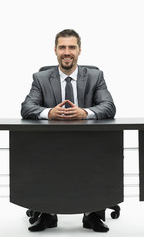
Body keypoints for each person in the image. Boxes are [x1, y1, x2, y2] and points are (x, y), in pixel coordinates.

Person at [21, 29, 116, 232]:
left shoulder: (95, 76)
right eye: (62, 47)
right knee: (39, 156)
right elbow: (27, 107)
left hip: (88, 143)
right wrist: (49, 113)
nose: (67, 52)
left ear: (79, 50)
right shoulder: (41, 78)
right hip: (51, 143)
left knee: (102, 154)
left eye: (71, 47)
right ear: (55, 50)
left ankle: (93, 214)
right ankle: (46, 214)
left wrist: (85, 112)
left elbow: (108, 106)